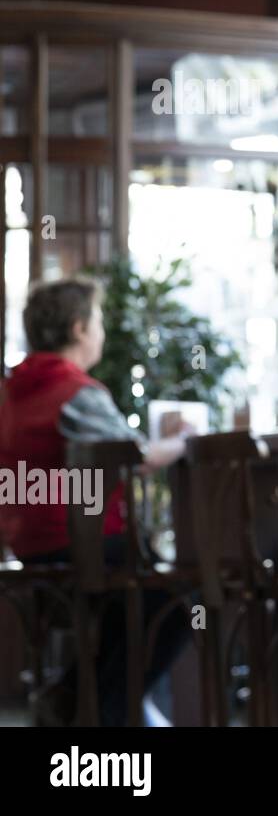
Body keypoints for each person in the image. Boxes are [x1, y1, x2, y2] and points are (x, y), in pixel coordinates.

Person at [0, 277, 194, 726]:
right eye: (99, 321)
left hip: (27, 549)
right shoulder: (76, 391)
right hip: (81, 547)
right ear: (79, 328)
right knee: (171, 607)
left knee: (128, 613)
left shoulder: (12, 391)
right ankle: (100, 714)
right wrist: (182, 442)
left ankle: (70, 701)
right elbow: (136, 458)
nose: (103, 331)